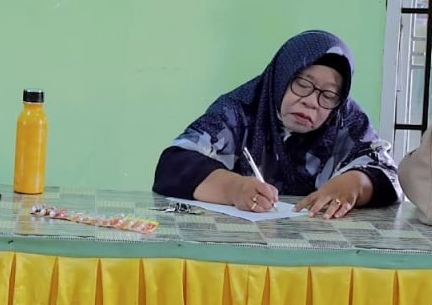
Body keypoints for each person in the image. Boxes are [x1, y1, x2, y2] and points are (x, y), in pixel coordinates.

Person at [153, 30, 400, 219]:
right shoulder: (241, 108)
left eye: (328, 95)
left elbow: (390, 177)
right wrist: (234, 189)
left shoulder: (347, 119)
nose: (311, 102)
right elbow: (174, 165)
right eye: (303, 84)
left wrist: (354, 185)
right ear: (282, 76)